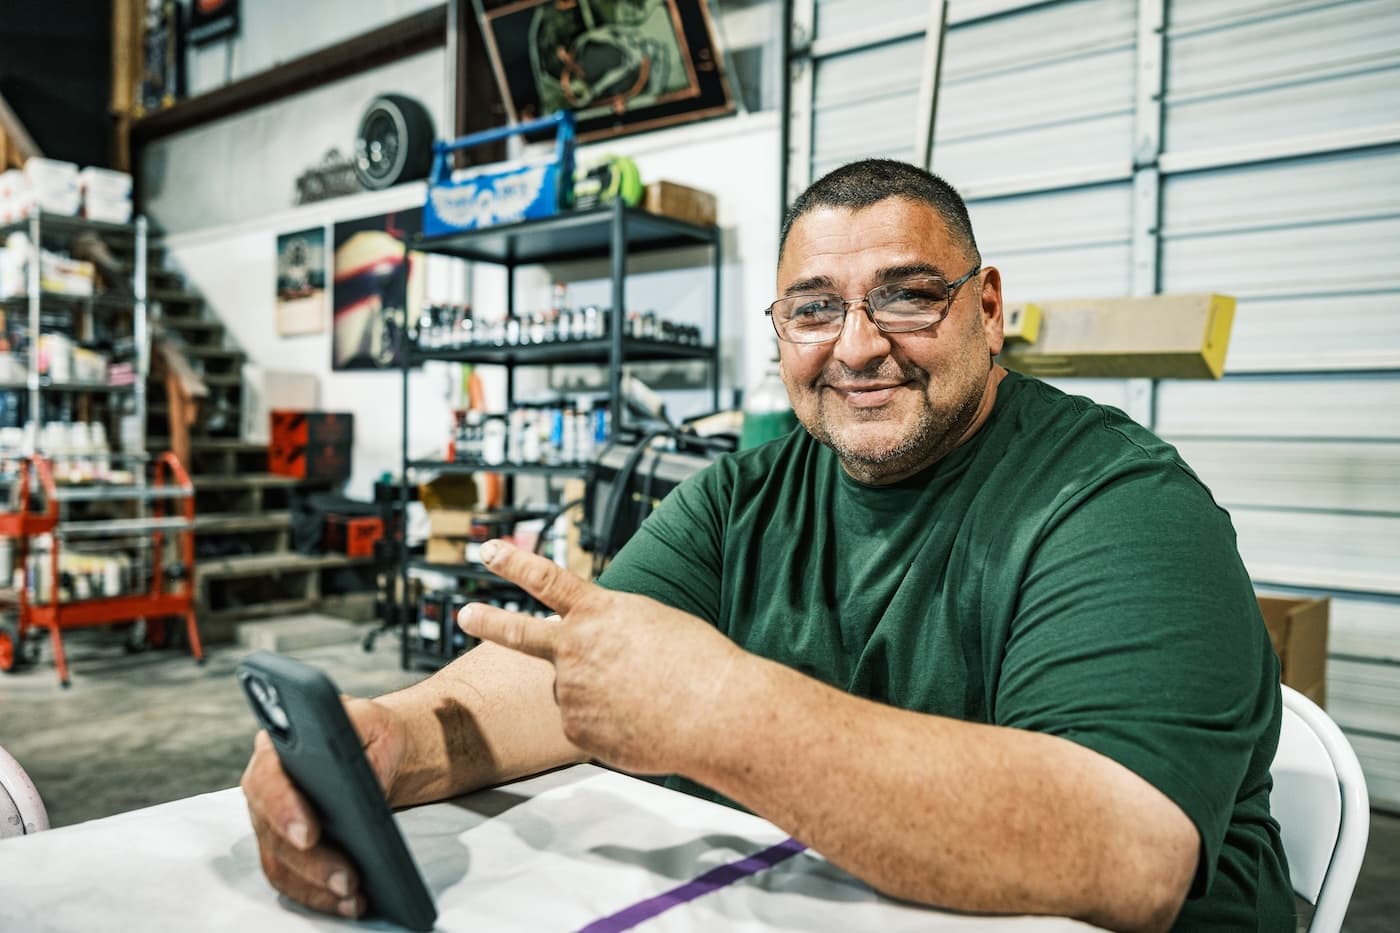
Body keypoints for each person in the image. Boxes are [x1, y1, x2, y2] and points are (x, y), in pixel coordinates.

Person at [242, 159, 1293, 931]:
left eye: (905, 295)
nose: (857, 344)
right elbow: (566, 678)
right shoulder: (745, 492)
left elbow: (1124, 850)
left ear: (986, 308)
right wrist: (392, 741)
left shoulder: (1117, 504)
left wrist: (719, 711)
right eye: (814, 309)